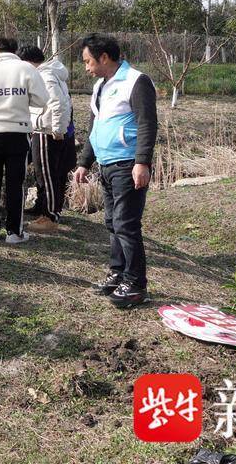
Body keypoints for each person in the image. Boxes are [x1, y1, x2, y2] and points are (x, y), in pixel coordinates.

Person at [73, 34, 158, 309]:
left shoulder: (136, 81)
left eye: (88, 61)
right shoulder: (100, 86)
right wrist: (84, 162)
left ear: (104, 58)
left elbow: (147, 123)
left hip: (128, 164)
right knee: (112, 222)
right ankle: (118, 273)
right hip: (106, 165)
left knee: (126, 224)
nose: (86, 67)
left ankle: (135, 284)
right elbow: (95, 128)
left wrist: (142, 162)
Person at [0, 38, 49, 244]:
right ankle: (15, 232)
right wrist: (22, 103)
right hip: (18, 132)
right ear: (15, 51)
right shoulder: (26, 68)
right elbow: (42, 100)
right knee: (16, 183)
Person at [19, 45, 75, 233]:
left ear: (28, 62)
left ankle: (50, 217)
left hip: (46, 131)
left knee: (47, 174)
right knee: (47, 174)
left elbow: (58, 104)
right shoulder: (51, 72)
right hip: (47, 129)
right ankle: (43, 207)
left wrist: (58, 129)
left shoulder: (44, 76)